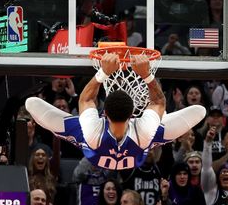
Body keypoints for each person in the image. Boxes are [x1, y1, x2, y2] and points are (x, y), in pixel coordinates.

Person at [26, 52, 205, 170]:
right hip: (137, 146)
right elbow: (158, 101)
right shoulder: (143, 131)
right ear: (133, 115)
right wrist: (146, 75)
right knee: (200, 111)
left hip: (98, 147)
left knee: (32, 104)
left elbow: (86, 99)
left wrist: (103, 73)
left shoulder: (92, 132)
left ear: (104, 114)